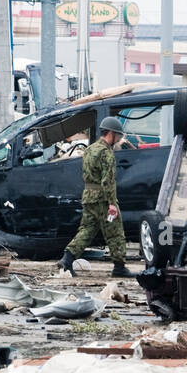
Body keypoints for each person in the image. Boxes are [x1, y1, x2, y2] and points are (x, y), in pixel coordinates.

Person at [59, 115, 129, 277]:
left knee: (87, 230)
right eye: (117, 135)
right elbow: (108, 181)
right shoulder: (106, 153)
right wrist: (112, 203)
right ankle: (119, 267)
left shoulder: (90, 149)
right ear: (110, 133)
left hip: (88, 196)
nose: (118, 139)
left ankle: (67, 259)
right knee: (115, 231)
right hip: (103, 198)